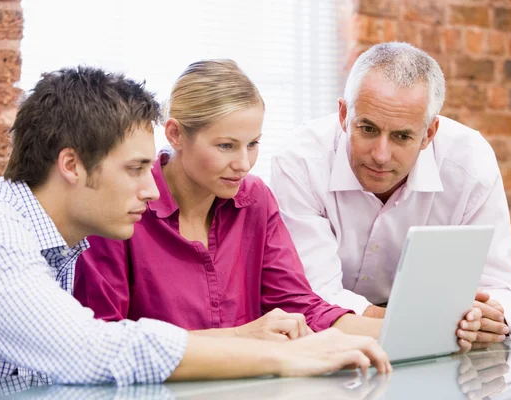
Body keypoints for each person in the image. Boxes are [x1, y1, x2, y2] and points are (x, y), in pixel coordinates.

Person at [0, 66, 391, 384]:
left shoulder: (59, 244)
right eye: (136, 169)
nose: (153, 189)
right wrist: (277, 355)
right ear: (72, 165)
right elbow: (93, 350)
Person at [73, 60, 383, 341]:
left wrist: (401, 331)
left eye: (252, 144)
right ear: (175, 134)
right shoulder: (122, 207)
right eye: (226, 145)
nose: (244, 163)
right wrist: (242, 337)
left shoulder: (254, 200)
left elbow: (300, 306)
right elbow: (104, 339)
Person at [271, 42, 511, 352]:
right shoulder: (300, 160)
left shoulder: (470, 163)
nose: (381, 156)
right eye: (367, 128)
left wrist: (486, 320)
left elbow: (500, 287)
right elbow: (312, 295)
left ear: (429, 134)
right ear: (343, 115)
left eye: (402, 136)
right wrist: (432, 325)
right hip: (325, 346)